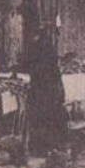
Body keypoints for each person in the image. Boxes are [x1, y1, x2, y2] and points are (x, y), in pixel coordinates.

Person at [23, 26, 68, 159]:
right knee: (49, 120)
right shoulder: (48, 48)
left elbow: (32, 68)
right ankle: (50, 149)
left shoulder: (37, 48)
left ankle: (41, 150)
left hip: (42, 92)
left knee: (41, 120)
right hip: (50, 91)